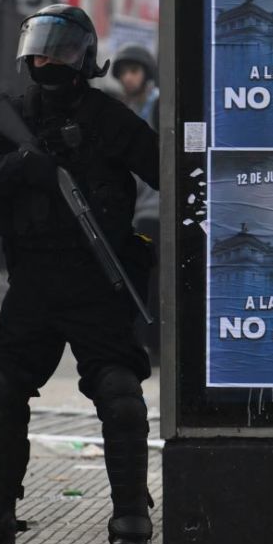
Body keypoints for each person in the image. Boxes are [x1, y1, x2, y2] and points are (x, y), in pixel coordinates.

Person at [0, 4, 159, 544]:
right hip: (34, 283)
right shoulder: (11, 116)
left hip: (95, 280)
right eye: (37, 49)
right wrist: (23, 165)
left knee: (120, 395)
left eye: (57, 50)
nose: (44, 59)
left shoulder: (109, 118)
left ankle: (131, 514)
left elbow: (169, 171)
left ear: (82, 57)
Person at [111, 44, 161, 363]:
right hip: (135, 209)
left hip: (154, 209)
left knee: (150, 278)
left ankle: (153, 343)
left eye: (134, 71)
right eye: (124, 73)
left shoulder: (157, 107)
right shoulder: (127, 109)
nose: (128, 78)